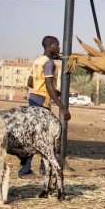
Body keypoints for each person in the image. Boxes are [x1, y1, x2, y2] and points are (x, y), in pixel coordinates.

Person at [19, 36, 71, 176]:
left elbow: (31, 82)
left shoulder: (38, 60)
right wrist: (62, 107)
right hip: (43, 101)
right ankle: (43, 168)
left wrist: (54, 91)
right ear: (49, 46)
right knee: (45, 136)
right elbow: (48, 86)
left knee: (32, 135)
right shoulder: (49, 63)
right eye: (57, 46)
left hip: (33, 98)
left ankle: (25, 170)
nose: (59, 48)